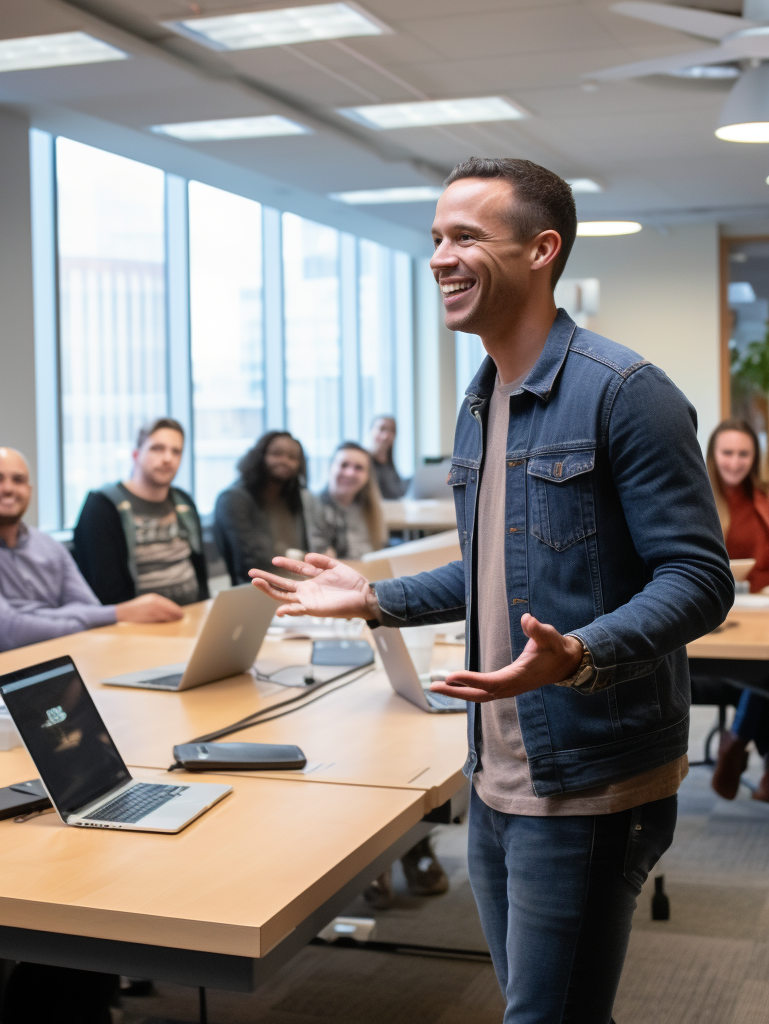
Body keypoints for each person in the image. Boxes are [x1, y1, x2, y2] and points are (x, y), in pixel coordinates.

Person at [250, 158, 733, 1024]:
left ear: (543, 250)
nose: (439, 256)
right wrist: (373, 598)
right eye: (435, 237)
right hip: (498, 770)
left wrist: (581, 655)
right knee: (546, 1008)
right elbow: (497, 570)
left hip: (591, 776)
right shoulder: (482, 400)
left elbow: (700, 580)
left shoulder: (627, 393)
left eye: (465, 236)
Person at [0, 448, 182, 665]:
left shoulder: (47, 544)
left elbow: (90, 610)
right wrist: (118, 613)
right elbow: (10, 633)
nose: (8, 488)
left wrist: (32, 617)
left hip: (61, 669)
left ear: (30, 490)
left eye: (18, 480)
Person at [72, 418, 208, 606]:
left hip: (191, 615)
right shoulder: (102, 507)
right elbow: (105, 593)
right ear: (136, 455)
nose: (168, 458)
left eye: (176, 451)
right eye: (157, 448)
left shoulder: (184, 502)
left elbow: (200, 574)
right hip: (133, 625)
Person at [706, 418, 769, 800]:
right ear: (713, 456)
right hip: (716, 618)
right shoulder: (696, 498)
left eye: (743, 453)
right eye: (727, 453)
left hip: (763, 612)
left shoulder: (763, 498)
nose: (734, 461)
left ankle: (735, 742)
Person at [213, 431, 318, 585]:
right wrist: (304, 558)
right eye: (276, 453)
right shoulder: (233, 499)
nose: (284, 461)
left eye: (292, 457)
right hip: (255, 591)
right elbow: (254, 561)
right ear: (260, 455)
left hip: (298, 585)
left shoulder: (293, 497)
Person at [308, 442, 388, 559]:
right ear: (331, 467)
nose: (350, 473)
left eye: (358, 468)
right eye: (344, 465)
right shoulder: (313, 507)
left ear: (367, 476)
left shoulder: (370, 510)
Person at [366, 415, 408, 499]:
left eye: (391, 431)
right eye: (382, 429)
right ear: (371, 431)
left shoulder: (390, 465)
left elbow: (398, 493)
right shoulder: (363, 462)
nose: (386, 435)